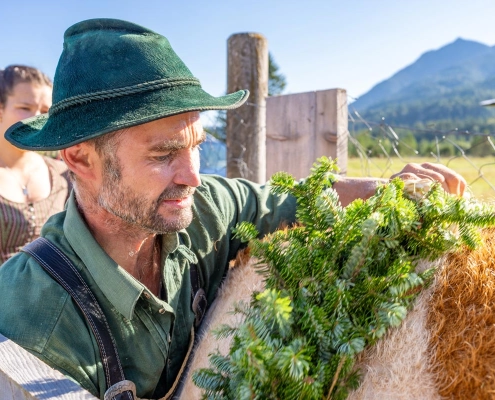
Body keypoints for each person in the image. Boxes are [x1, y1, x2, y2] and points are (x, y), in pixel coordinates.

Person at [0, 18, 466, 399]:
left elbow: (297, 199)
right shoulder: (29, 314)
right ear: (80, 158)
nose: (192, 177)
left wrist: (389, 187)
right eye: (163, 155)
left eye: (196, 146)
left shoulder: (205, 210)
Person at [0, 65, 70, 264]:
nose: (36, 117)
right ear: (1, 109)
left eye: (45, 111)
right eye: (25, 108)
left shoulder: (63, 173)